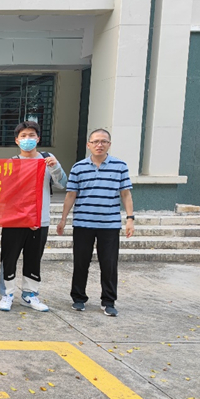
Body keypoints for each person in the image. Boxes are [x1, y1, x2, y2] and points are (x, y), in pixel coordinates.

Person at [56, 128, 134, 317]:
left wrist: (130, 219)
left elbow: (125, 194)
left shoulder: (120, 166)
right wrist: (63, 219)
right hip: (83, 223)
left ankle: (108, 301)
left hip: (109, 225)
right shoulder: (78, 167)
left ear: (109, 144)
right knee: (81, 262)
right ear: (88, 145)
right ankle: (78, 298)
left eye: (104, 141)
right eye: (96, 141)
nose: (100, 145)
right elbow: (71, 195)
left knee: (109, 264)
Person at [0, 121, 68, 312]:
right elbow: (5, 193)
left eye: (31, 135)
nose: (27, 139)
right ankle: (7, 294)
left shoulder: (48, 160)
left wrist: (55, 167)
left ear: (38, 138)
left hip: (39, 220)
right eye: (23, 136)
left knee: (33, 258)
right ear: (17, 140)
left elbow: (63, 184)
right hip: (15, 220)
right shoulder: (11, 163)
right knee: (9, 258)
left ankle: (30, 295)